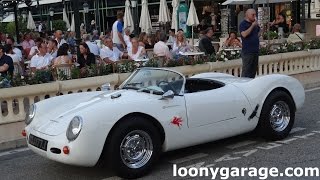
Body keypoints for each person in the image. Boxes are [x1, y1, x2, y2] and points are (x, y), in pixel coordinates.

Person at [239, 9, 260, 78]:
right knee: (246, 71)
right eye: (253, 15)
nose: (254, 16)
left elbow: (258, 34)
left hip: (255, 51)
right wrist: (252, 26)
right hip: (247, 51)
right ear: (247, 15)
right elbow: (244, 34)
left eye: (255, 14)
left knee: (253, 71)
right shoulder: (243, 24)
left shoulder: (255, 24)